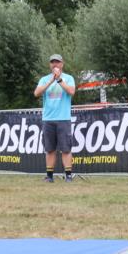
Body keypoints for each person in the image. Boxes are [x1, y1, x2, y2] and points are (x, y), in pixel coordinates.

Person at [34, 54, 77, 182]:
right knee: (50, 149)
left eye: (57, 62)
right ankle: (50, 176)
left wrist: (59, 80)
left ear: (62, 64)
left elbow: (71, 92)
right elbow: (36, 93)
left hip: (63, 118)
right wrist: (51, 81)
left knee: (66, 149)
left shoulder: (68, 78)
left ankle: (68, 175)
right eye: (52, 62)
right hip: (48, 119)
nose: (55, 65)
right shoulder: (44, 79)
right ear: (50, 65)